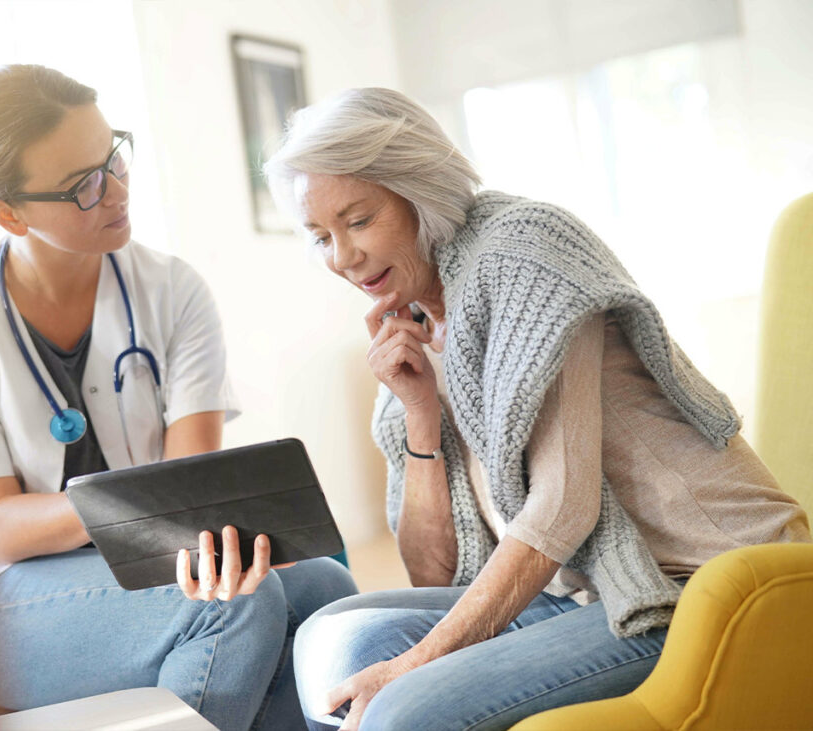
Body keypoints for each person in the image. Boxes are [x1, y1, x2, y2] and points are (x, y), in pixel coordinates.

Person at [262, 87, 812, 730]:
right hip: (576, 594)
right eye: (320, 235)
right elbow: (434, 570)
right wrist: (419, 413)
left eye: (358, 221)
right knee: (331, 637)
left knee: (405, 709)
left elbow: (563, 506)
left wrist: (419, 661)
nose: (343, 258)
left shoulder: (522, 251)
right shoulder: (407, 317)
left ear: (420, 192)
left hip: (694, 584)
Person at [0, 64, 356, 731]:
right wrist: (143, 510)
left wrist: (184, 520)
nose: (115, 191)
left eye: (113, 156)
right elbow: (1, 525)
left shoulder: (173, 290)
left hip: (134, 560)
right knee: (230, 608)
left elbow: (190, 492)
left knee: (326, 591)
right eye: (82, 184)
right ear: (9, 212)